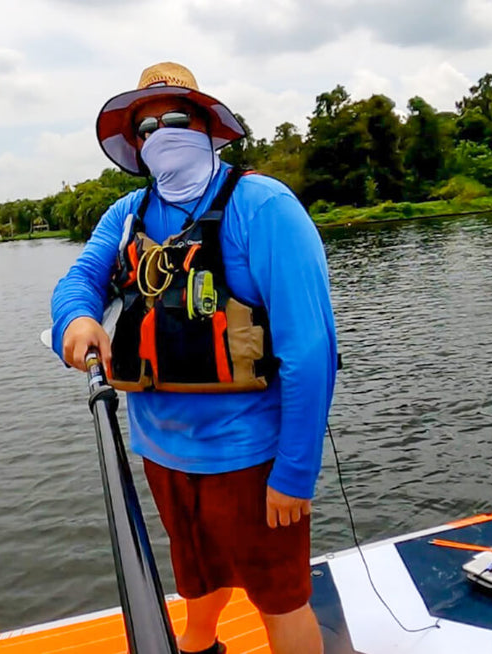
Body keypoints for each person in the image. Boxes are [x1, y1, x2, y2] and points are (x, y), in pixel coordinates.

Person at [49, 62, 338, 654]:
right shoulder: (126, 215)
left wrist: (294, 473)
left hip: (250, 458)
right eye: (145, 125)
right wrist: (74, 320)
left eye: (174, 116)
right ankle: (199, 646)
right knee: (196, 578)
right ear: (134, 145)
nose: (160, 131)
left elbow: (311, 353)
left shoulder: (263, 206)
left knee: (279, 599)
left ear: (207, 124)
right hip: (162, 452)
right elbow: (81, 278)